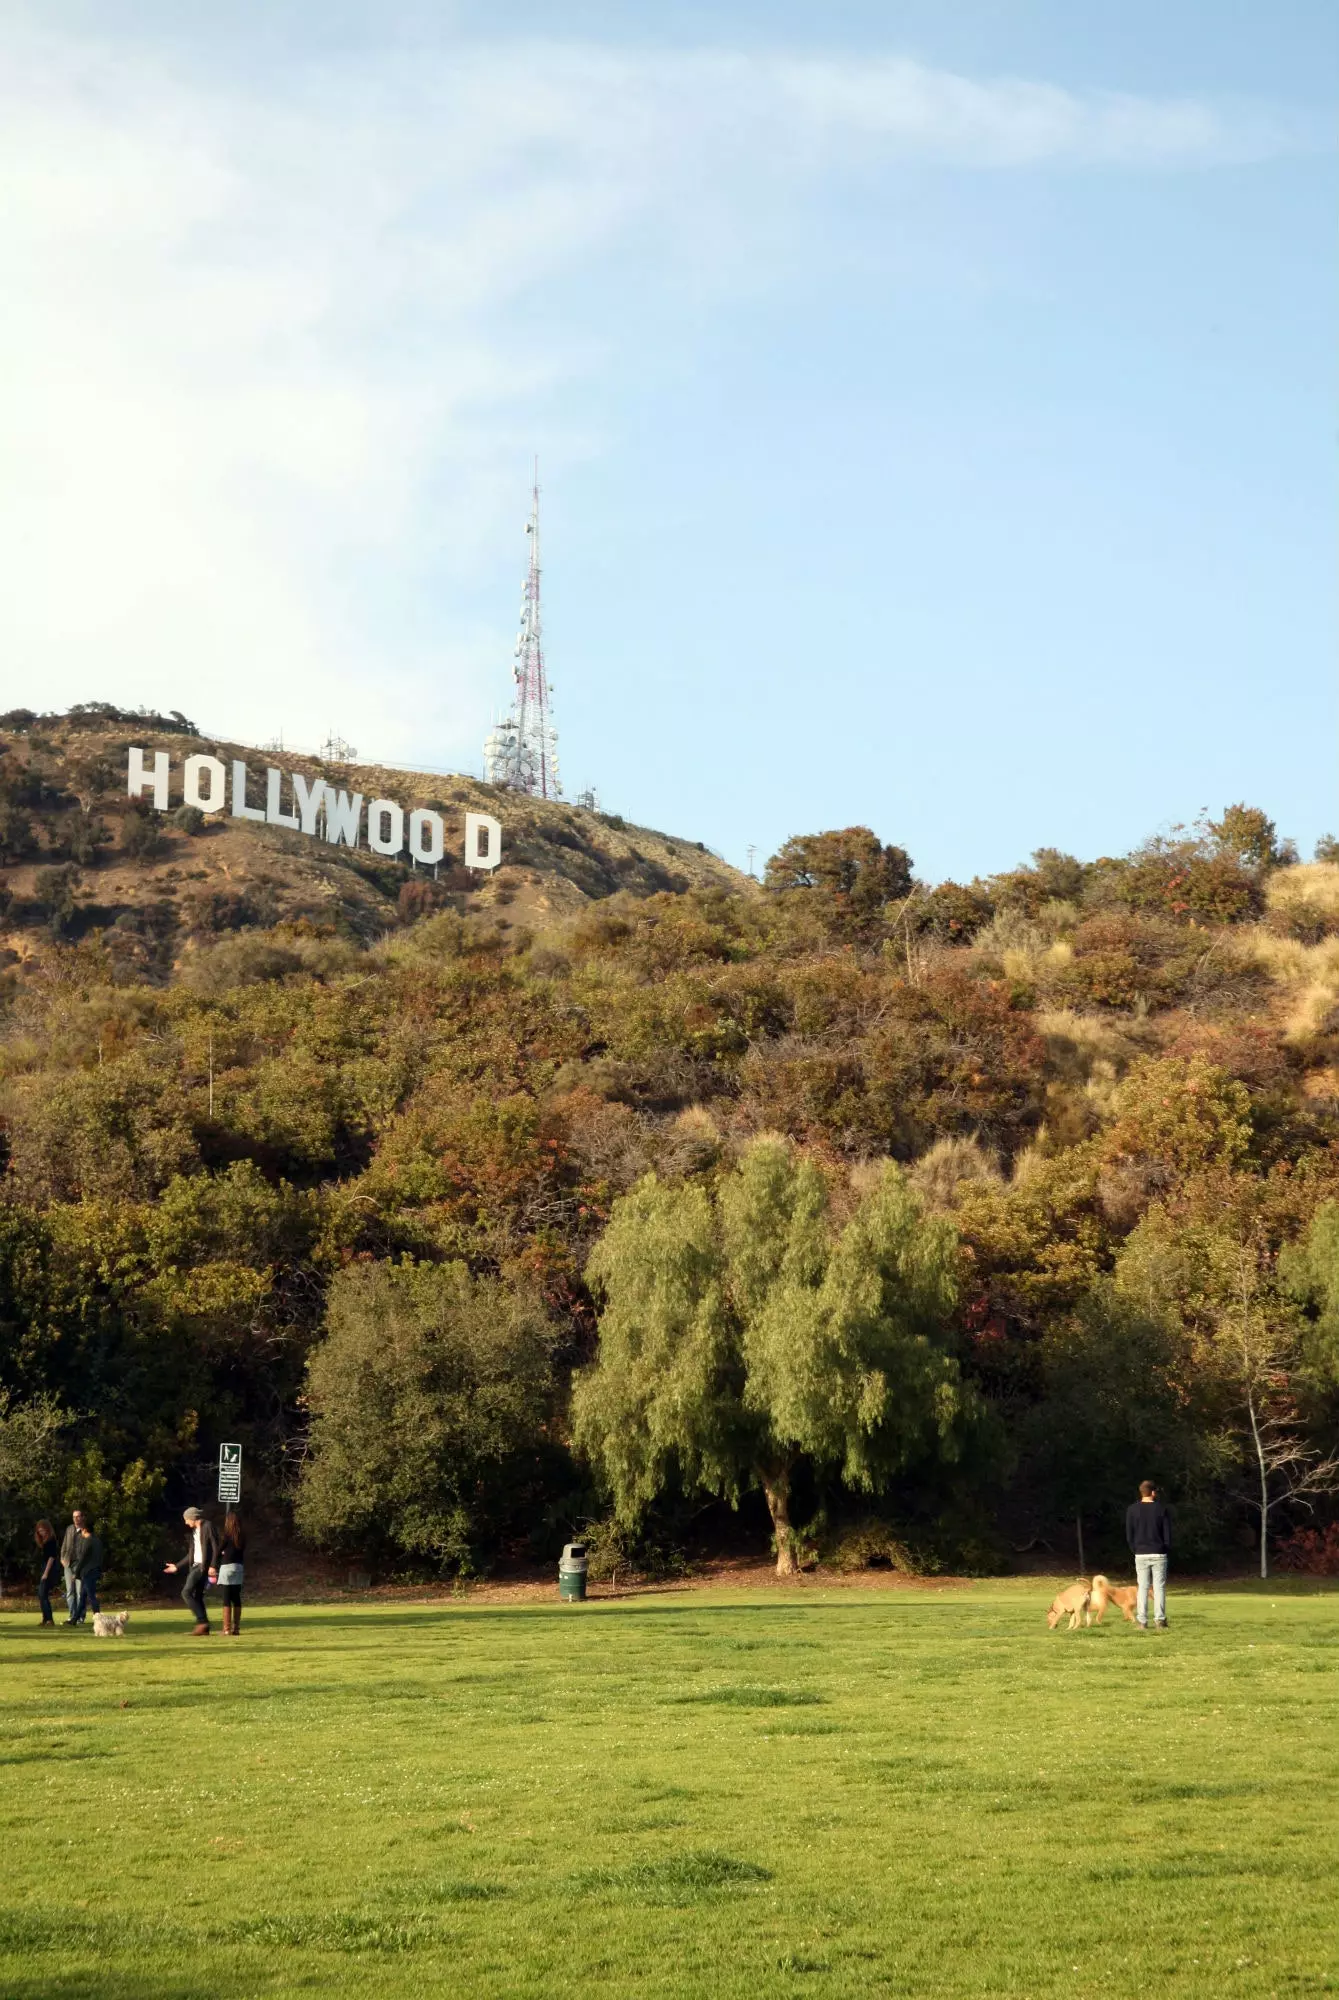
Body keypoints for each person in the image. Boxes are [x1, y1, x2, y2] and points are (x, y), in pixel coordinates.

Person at [1125, 1479, 1172, 1630]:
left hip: (1141, 1553)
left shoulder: (1132, 1510)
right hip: (1159, 1553)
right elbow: (1167, 1534)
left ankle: (1142, 1621)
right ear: (1153, 1492)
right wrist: (1166, 1548)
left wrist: (1135, 1549)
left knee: (1143, 1588)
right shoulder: (1161, 1509)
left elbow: (1129, 1534)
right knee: (1159, 1588)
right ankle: (1160, 1620)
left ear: (1141, 1492)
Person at [164, 1506, 219, 1635]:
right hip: (195, 1565)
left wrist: (213, 1565)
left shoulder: (208, 1526)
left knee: (186, 1592)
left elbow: (216, 1547)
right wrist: (176, 1566)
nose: (185, 1522)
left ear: (193, 1518)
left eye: (186, 1519)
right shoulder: (194, 1531)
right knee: (198, 1596)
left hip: (202, 1566)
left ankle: (202, 1622)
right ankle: (204, 1628)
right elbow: (191, 1554)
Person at [64, 1509, 103, 1627]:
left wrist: (76, 1573)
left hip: (88, 1572)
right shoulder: (97, 1540)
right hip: (94, 1570)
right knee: (83, 1597)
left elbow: (83, 1559)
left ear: (85, 1530)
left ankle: (99, 1618)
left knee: (90, 1596)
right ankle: (75, 1619)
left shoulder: (88, 1541)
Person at [216, 1511, 246, 1636]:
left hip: (227, 1567)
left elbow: (218, 1551)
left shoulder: (226, 1536)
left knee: (226, 1598)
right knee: (236, 1598)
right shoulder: (242, 1537)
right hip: (238, 1567)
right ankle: (236, 1628)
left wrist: (219, 1557)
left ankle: (226, 1629)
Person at [34, 1520, 61, 1626]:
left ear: (48, 1529)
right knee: (42, 1595)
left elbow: (51, 1558)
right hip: (44, 1568)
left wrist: (46, 1573)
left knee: (42, 1593)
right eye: (39, 1531)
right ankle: (45, 1618)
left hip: (49, 1569)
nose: (41, 1532)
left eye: (43, 1530)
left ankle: (49, 1619)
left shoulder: (51, 1541)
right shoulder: (44, 1542)